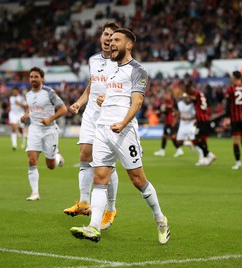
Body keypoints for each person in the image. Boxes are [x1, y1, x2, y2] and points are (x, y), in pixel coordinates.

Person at [70, 28, 170, 244]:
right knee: (100, 178)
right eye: (110, 39)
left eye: (117, 40)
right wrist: (103, 100)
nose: (111, 43)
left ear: (129, 45)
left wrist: (123, 122)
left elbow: (137, 101)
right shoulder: (113, 70)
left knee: (138, 180)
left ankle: (161, 220)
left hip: (124, 132)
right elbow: (117, 95)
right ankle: (93, 227)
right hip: (102, 130)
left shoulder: (138, 70)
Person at [65, 22, 120, 230]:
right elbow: (92, 84)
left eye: (113, 36)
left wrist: (110, 97)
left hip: (109, 115)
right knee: (84, 155)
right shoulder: (93, 60)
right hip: (90, 114)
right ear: (101, 37)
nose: (108, 39)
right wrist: (80, 102)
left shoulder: (121, 63)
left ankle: (111, 208)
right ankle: (84, 202)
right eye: (106, 34)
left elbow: (124, 89)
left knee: (106, 165)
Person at [20, 67, 67, 201]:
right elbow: (32, 110)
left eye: (36, 77)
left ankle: (57, 157)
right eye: (31, 77)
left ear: (42, 78)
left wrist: (50, 119)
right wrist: (25, 116)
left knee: (50, 166)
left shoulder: (49, 92)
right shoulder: (28, 95)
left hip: (49, 130)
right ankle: (35, 193)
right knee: (32, 160)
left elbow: (63, 109)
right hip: (34, 129)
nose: (33, 79)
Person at [185, 81, 217, 166]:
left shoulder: (196, 94)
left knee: (195, 139)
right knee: (202, 140)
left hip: (202, 121)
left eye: (188, 90)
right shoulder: (201, 94)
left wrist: (186, 96)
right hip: (205, 119)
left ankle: (209, 155)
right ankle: (204, 159)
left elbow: (191, 100)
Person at [153, 91, 183, 157]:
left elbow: (171, 111)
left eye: (167, 95)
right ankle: (162, 151)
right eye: (165, 95)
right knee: (164, 136)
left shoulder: (171, 102)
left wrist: (161, 111)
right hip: (167, 122)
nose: (166, 96)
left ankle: (179, 150)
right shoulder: (166, 102)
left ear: (170, 96)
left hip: (170, 122)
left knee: (172, 137)